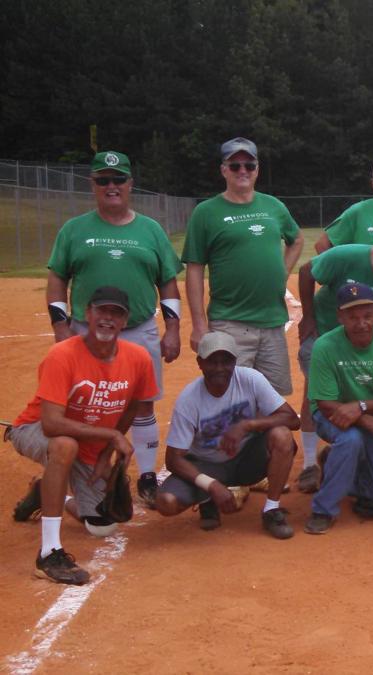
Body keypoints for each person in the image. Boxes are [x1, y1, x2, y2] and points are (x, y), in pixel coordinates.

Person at [45, 150, 182, 506]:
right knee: (81, 405)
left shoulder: (150, 230)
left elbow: (167, 282)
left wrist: (172, 328)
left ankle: (147, 475)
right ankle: (78, 469)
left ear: (130, 184)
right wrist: (61, 330)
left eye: (118, 179)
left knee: (142, 404)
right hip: (84, 333)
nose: (111, 186)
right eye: (103, 180)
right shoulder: (74, 230)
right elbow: (57, 279)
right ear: (92, 184)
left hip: (137, 330)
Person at [9, 287, 156, 585]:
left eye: (116, 313)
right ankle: (49, 552)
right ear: (87, 314)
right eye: (101, 311)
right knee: (64, 446)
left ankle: (48, 492)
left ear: (125, 321)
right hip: (34, 429)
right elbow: (51, 424)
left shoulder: (138, 358)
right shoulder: (62, 355)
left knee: (103, 525)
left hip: (88, 442)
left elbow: (133, 405)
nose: (107, 318)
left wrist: (104, 452)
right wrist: (111, 437)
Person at [296, 221, 373, 492]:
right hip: (325, 332)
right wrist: (308, 317)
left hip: (366, 337)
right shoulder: (346, 256)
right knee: (316, 391)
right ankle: (308, 464)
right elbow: (307, 271)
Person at [182, 136, 304, 396]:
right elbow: (194, 268)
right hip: (229, 323)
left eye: (249, 165)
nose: (243, 171)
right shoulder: (206, 212)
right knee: (231, 398)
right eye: (235, 165)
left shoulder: (273, 206)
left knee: (273, 399)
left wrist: (282, 273)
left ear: (257, 169)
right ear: (223, 170)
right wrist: (199, 325)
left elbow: (297, 239)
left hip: (272, 323)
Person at [154, 332, 300, 538]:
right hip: (207, 466)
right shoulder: (189, 399)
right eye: (212, 362)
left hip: (247, 461)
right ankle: (207, 499)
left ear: (235, 361)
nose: (220, 368)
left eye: (226, 361)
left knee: (282, 435)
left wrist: (249, 425)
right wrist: (211, 485)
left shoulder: (251, 379)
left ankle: (271, 509)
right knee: (166, 502)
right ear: (200, 363)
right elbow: (173, 459)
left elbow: (292, 420)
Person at [304, 283, 373, 534]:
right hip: (331, 414)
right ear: (339, 317)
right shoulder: (325, 346)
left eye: (367, 315)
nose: (361, 323)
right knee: (350, 440)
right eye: (352, 317)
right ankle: (323, 508)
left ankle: (334, 462)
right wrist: (369, 421)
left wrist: (361, 409)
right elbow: (325, 403)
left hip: (371, 412)